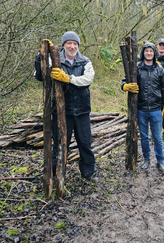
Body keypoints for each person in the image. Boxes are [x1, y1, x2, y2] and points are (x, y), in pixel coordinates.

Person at [34, 31, 98, 183]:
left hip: (82, 110)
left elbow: (87, 80)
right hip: (62, 111)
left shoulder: (85, 61)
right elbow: (39, 75)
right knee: (60, 144)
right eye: (69, 43)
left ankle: (89, 173)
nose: (72, 46)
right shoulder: (55, 60)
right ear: (63, 45)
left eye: (75, 43)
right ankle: (56, 174)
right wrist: (41, 55)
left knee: (85, 144)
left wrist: (68, 78)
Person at [121, 42, 164, 174]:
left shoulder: (159, 69)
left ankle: (160, 162)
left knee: (157, 138)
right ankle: (146, 159)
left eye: (151, 51)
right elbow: (124, 81)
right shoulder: (136, 68)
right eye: (146, 51)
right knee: (143, 137)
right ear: (143, 52)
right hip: (141, 109)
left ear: (154, 53)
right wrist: (125, 86)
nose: (149, 53)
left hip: (156, 109)